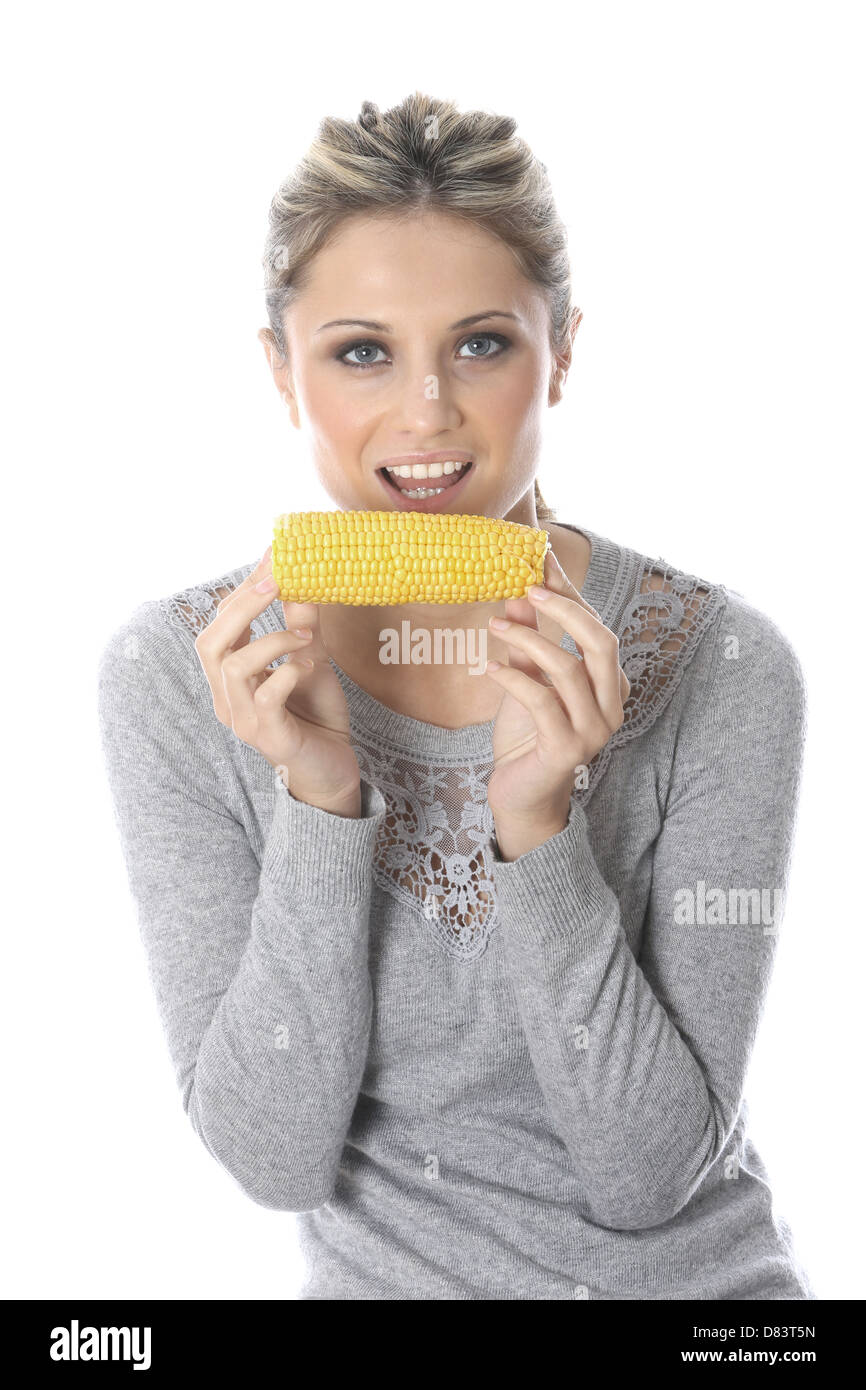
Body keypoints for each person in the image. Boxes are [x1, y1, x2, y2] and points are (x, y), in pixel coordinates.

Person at [97, 91, 814, 1300]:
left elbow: (648, 1177)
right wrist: (318, 803)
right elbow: (274, 1159)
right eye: (360, 351)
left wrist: (539, 829)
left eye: (481, 343)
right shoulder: (174, 675)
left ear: (564, 352)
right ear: (281, 371)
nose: (426, 411)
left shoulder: (722, 664)